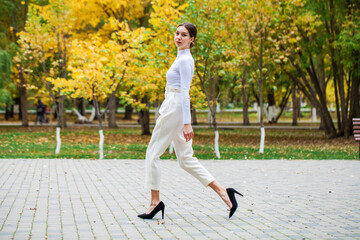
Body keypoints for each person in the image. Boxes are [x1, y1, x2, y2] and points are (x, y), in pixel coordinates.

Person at [137, 22, 243, 220]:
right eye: (177, 33)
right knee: (186, 159)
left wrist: (187, 123)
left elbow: (185, 92)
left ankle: (154, 202)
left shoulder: (186, 60)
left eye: (184, 35)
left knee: (152, 153)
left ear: (192, 39)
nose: (178, 37)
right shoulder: (181, 57)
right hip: (174, 105)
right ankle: (224, 193)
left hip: (175, 108)